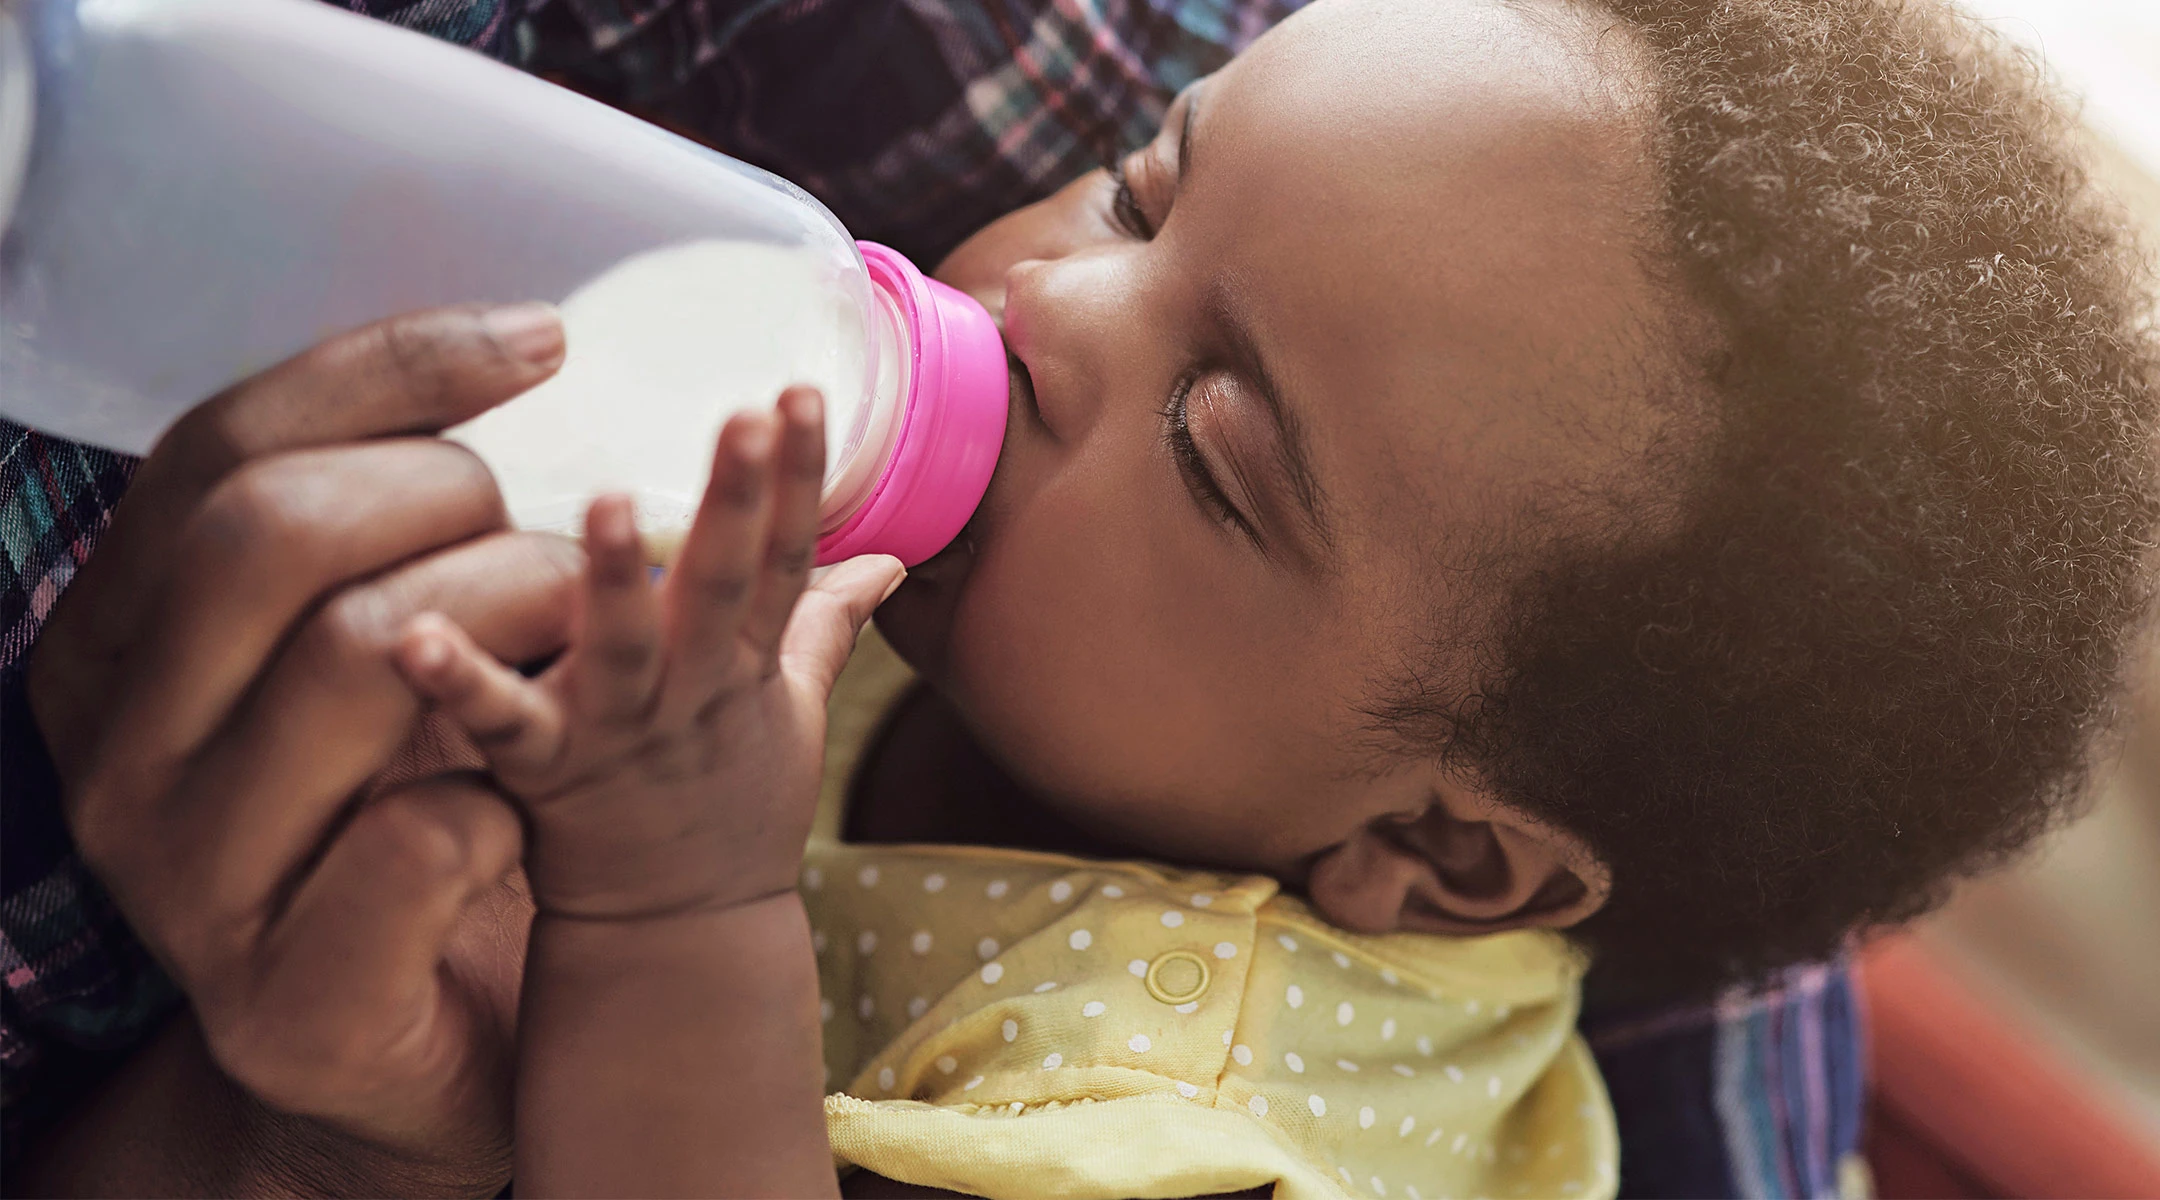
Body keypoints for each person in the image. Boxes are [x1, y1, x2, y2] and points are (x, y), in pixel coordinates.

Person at [8, 0, 2142, 1191]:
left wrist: (678, 920)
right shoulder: (986, 629)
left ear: (1439, 854)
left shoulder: (1224, 1105)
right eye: (1145, 186)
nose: (1041, 305)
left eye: (1217, 448)